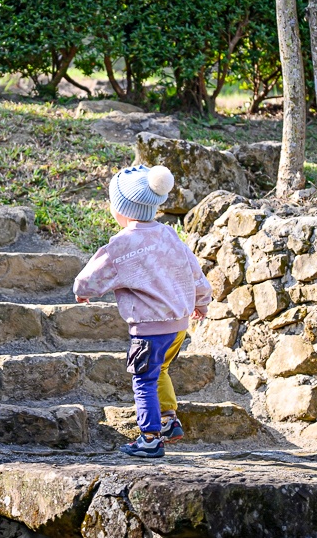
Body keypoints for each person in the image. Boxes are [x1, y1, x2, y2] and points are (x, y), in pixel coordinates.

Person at [73, 165, 212, 458]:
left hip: (149, 329)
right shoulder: (169, 235)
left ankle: (150, 438)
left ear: (121, 209)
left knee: (143, 379)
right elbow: (194, 271)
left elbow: (90, 278)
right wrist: (201, 302)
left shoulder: (122, 244)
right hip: (178, 326)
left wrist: (83, 291)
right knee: (160, 370)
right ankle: (169, 421)